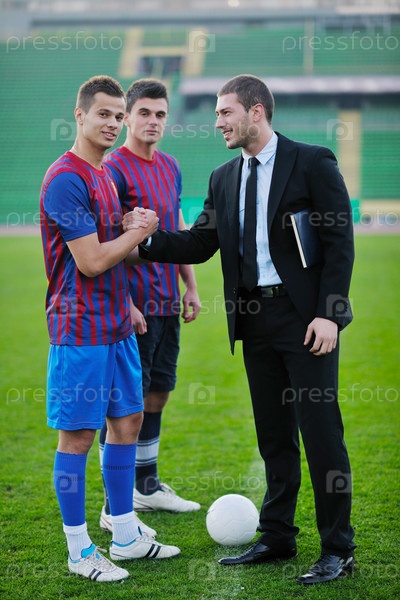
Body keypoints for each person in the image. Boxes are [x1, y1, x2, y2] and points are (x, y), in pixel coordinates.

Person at [126, 74, 356, 585]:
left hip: (306, 321)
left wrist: (330, 313)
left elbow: (339, 243)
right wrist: (145, 240)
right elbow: (199, 243)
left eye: (225, 112)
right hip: (254, 321)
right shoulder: (224, 177)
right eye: (216, 113)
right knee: (273, 436)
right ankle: (277, 535)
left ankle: (338, 548)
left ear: (256, 112)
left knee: (321, 435)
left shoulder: (312, 162)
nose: (217, 123)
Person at [39, 75, 180, 583]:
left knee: (128, 421)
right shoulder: (66, 178)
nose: (113, 123)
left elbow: (116, 252)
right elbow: (93, 261)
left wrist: (134, 239)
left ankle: (124, 533)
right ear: (79, 115)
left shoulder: (103, 175)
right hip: (79, 329)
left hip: (116, 322)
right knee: (78, 437)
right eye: (104, 114)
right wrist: (138, 232)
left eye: (119, 116)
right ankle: (80, 550)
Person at [98, 79, 201, 535]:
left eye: (160, 114)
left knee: (158, 393)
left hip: (165, 302)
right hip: (132, 308)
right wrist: (124, 303)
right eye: (144, 113)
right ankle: (113, 504)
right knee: (126, 407)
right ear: (127, 117)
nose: (153, 121)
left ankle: (147, 485)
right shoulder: (113, 168)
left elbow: (175, 228)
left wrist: (190, 286)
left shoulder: (170, 166)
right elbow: (107, 241)